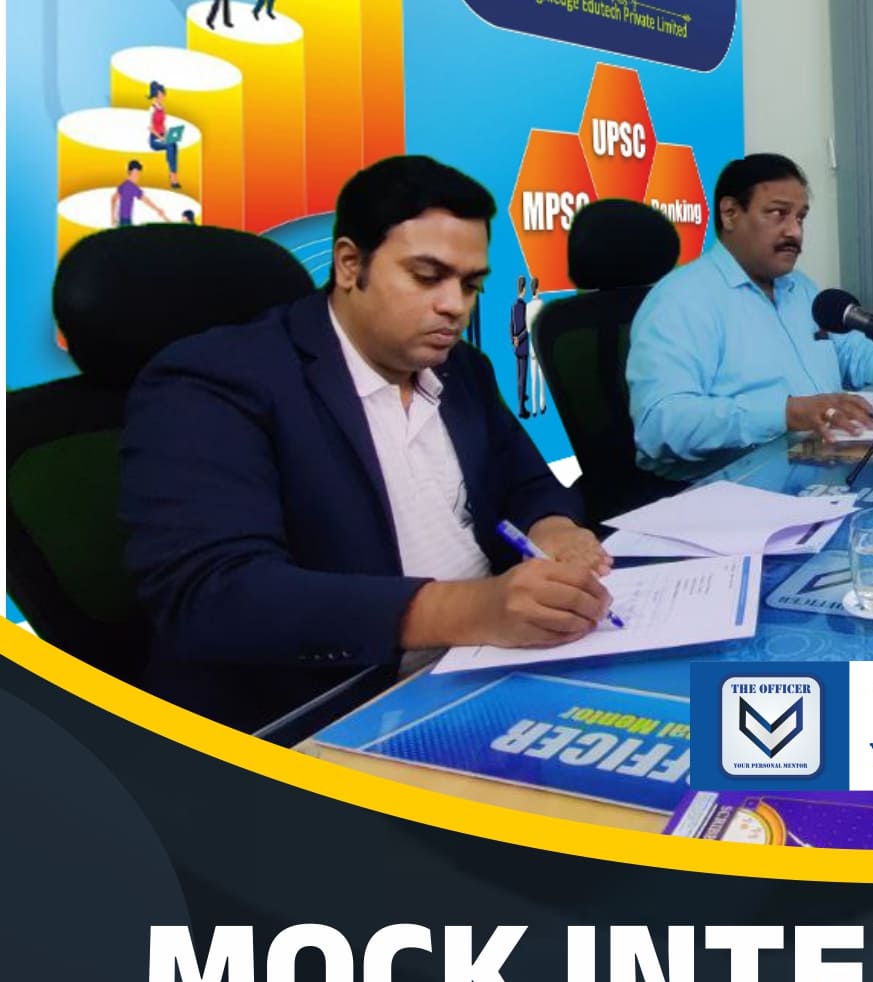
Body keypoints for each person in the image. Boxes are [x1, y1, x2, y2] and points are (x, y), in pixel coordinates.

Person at [121, 156, 614, 732]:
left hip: (486, 667)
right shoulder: (215, 381)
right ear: (350, 264)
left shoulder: (462, 369)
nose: (455, 306)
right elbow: (218, 593)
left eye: (470, 285)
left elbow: (527, 482)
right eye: (427, 277)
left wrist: (553, 529)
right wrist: (469, 609)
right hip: (327, 712)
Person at [625, 152, 873, 479]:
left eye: (800, 217)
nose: (795, 231)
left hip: (820, 466)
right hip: (728, 489)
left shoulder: (800, 289)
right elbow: (660, 424)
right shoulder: (681, 300)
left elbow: (853, 354)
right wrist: (788, 413)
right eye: (778, 214)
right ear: (730, 213)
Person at [146, 83, 183, 190]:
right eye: (161, 94)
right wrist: (161, 138)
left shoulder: (162, 108)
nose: (163, 96)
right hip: (154, 139)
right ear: (156, 95)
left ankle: (173, 173)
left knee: (174, 144)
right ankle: (173, 178)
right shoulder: (152, 109)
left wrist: (168, 135)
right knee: (170, 145)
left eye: (163, 94)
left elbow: (163, 124)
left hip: (162, 136)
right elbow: (150, 128)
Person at [112, 160, 170, 226]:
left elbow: (113, 199)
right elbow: (146, 200)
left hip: (122, 220)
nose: (137, 176)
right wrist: (158, 209)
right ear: (129, 172)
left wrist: (113, 217)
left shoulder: (123, 185)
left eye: (138, 174)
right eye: (135, 174)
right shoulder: (132, 187)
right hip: (125, 221)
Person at [509, 275, 533, 418]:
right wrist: (519, 338)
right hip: (523, 346)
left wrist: (513, 339)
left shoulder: (513, 306)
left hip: (516, 346)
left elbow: (511, 325)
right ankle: (521, 409)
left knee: (519, 375)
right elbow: (527, 328)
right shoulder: (525, 307)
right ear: (524, 289)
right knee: (523, 377)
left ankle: (522, 396)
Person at [526, 277, 549, 416]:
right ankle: (542, 404)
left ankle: (534, 408)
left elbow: (527, 327)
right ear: (538, 289)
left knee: (533, 378)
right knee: (542, 378)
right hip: (539, 343)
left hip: (531, 344)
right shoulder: (542, 305)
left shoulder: (528, 307)